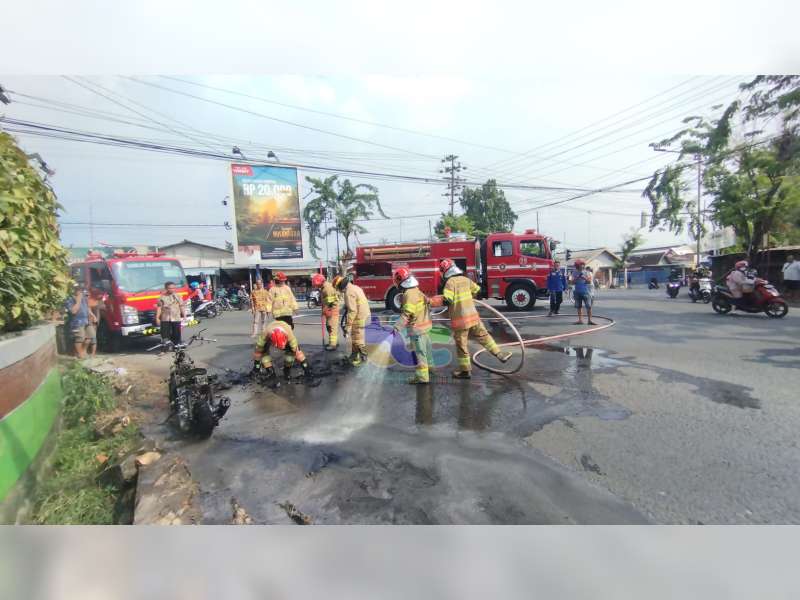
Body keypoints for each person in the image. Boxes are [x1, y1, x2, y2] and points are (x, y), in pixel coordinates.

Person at [431, 259, 512, 380]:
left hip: (460, 320)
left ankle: (465, 371)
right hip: (473, 317)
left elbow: (447, 300)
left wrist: (432, 301)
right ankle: (500, 354)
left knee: (461, 345)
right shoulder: (466, 280)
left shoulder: (450, 282)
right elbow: (478, 291)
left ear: (444, 272)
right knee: (484, 336)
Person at [392, 267, 433, 384]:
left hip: (417, 330)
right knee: (426, 351)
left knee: (420, 354)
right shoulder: (416, 290)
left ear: (400, 280)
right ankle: (430, 370)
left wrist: (396, 328)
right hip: (424, 327)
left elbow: (407, 314)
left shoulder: (408, 294)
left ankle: (422, 377)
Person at [337, 273, 371, 366]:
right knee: (355, 337)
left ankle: (363, 358)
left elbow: (352, 311)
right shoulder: (355, 287)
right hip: (365, 315)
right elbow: (355, 301)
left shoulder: (348, 292)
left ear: (341, 286)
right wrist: (346, 305)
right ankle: (354, 355)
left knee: (358, 339)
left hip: (359, 317)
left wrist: (347, 327)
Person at [64, 283, 96, 359]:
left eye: (81, 289)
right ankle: (80, 355)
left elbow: (87, 307)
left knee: (90, 337)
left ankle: (82, 352)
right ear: (73, 290)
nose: (80, 291)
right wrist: (78, 300)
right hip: (77, 321)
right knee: (80, 338)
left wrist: (93, 315)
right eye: (78, 289)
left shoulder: (83, 297)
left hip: (86, 320)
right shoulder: (69, 299)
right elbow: (73, 311)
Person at [312, 273, 341, 351]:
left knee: (332, 327)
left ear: (320, 282)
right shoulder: (324, 287)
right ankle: (334, 342)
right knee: (329, 327)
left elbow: (330, 301)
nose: (316, 286)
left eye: (316, 285)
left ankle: (333, 345)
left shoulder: (327, 288)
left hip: (331, 310)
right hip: (329, 309)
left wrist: (325, 310)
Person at [155, 281, 185, 349]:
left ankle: (176, 347)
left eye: (173, 288)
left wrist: (184, 316)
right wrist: (157, 318)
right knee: (165, 334)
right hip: (165, 318)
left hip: (176, 317)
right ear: (166, 288)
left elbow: (181, 306)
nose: (172, 289)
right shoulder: (161, 297)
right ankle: (164, 349)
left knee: (176, 334)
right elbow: (159, 308)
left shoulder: (178, 296)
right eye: (170, 288)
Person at [570, 259, 596, 325]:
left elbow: (589, 281)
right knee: (579, 307)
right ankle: (580, 320)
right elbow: (572, 282)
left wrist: (584, 277)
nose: (583, 266)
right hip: (577, 291)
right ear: (577, 266)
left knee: (589, 306)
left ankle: (590, 320)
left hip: (585, 292)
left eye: (583, 264)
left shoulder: (586, 272)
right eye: (581, 265)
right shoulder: (574, 272)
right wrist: (577, 277)